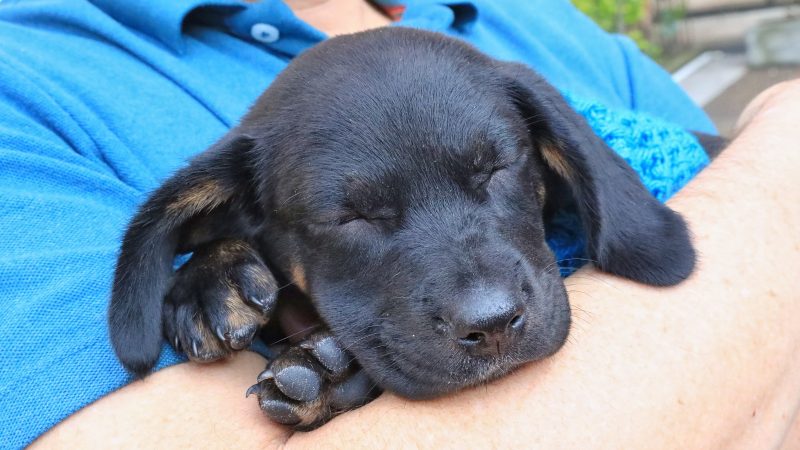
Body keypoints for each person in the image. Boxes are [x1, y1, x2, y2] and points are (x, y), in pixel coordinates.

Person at [0, 0, 797, 447]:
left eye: (495, 172)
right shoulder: (26, 85)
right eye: (349, 214)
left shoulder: (545, 27)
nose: (488, 304)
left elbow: (664, 214)